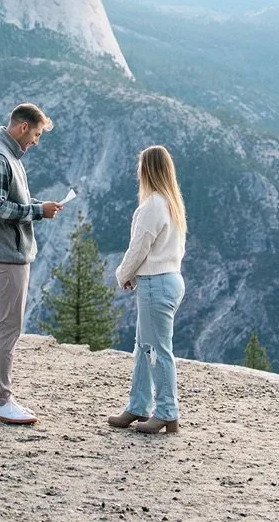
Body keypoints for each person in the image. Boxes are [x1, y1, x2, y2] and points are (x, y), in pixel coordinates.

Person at [0, 102, 63, 425]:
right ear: (23, 127)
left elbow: (12, 202)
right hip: (6, 254)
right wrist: (38, 212)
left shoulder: (7, 155)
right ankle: (1, 399)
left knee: (7, 325)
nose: (36, 141)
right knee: (8, 327)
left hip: (8, 252)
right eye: (37, 134)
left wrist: (41, 206)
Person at [108, 144, 188, 434]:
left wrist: (122, 275)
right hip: (169, 279)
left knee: (157, 349)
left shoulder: (153, 205)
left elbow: (139, 248)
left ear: (147, 170)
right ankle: (138, 406)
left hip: (156, 284)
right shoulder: (172, 203)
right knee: (144, 347)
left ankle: (167, 411)